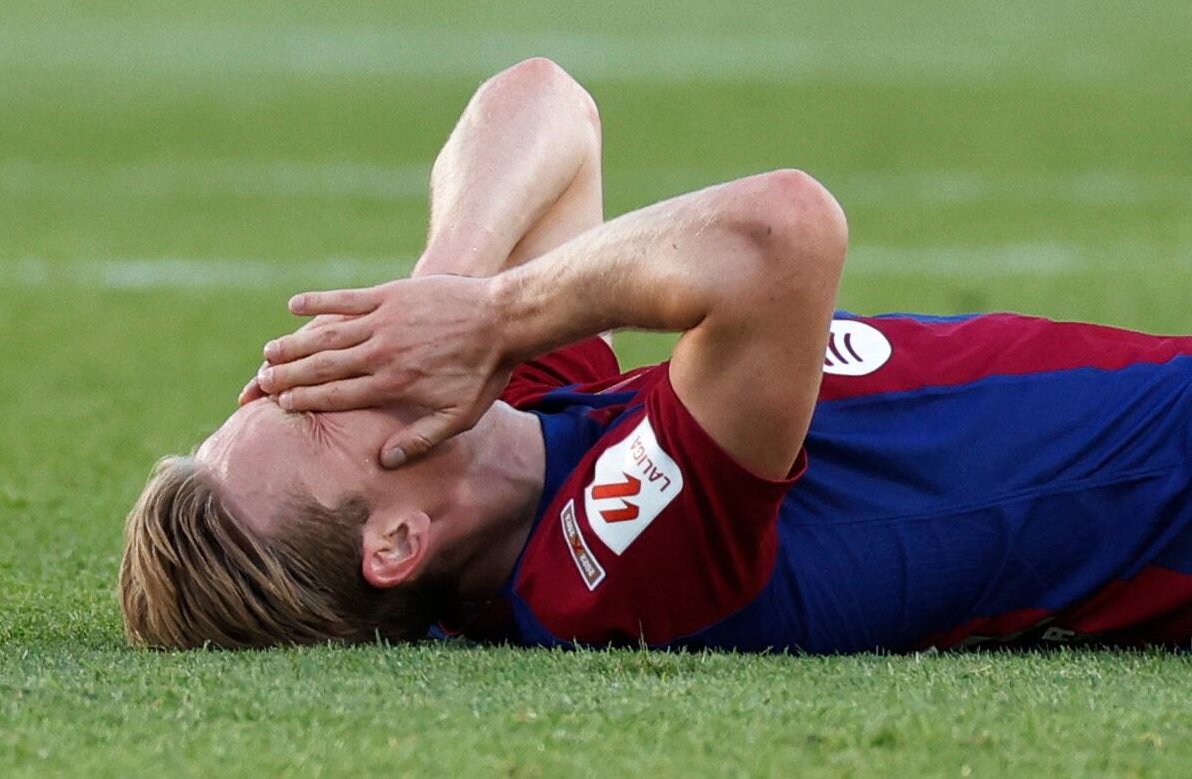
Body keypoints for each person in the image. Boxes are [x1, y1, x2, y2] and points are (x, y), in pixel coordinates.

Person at [119, 58, 1192, 652]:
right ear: (396, 542)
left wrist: (451, 284)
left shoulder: (516, 420)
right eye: (313, 409)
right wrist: (490, 313)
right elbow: (781, 234)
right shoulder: (601, 570)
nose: (327, 360)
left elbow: (543, 100)